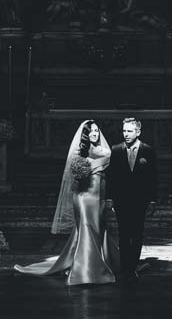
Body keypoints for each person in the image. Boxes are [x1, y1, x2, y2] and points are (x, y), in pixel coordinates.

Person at [13, 120, 118, 286]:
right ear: (85, 134)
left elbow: (110, 174)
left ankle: (93, 262)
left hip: (99, 196)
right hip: (84, 196)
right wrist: (87, 169)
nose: (94, 134)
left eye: (96, 131)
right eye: (90, 131)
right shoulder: (81, 151)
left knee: (99, 227)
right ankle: (86, 270)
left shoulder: (105, 150)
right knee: (86, 227)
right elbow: (75, 176)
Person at [107, 118, 158, 280]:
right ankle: (125, 268)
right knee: (123, 233)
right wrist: (110, 198)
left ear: (138, 132)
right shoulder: (116, 150)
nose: (126, 134)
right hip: (121, 199)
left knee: (136, 233)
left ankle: (132, 266)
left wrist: (153, 200)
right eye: (124, 131)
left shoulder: (148, 151)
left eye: (129, 131)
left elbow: (153, 177)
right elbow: (111, 177)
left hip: (140, 200)